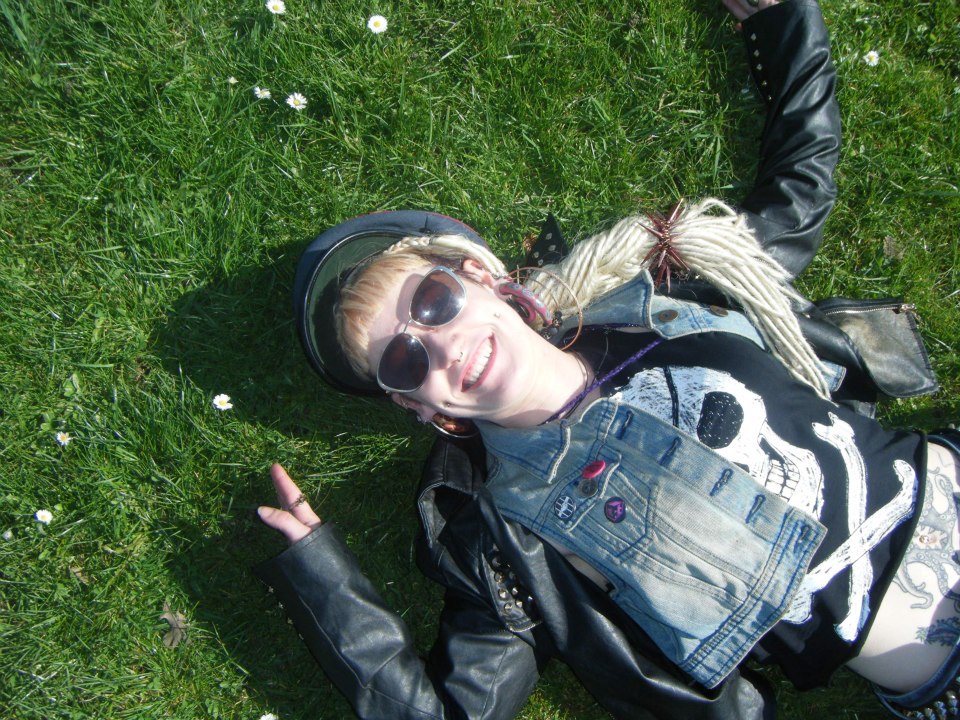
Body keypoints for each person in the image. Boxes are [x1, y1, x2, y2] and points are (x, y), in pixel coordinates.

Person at [254, 1, 958, 718]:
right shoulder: (509, 538)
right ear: (416, 404)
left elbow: (797, 194)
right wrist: (322, 576)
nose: (439, 344)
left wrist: (783, 24)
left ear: (482, 276)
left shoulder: (659, 298)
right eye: (404, 361)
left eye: (433, 301)